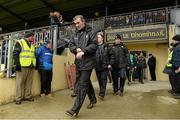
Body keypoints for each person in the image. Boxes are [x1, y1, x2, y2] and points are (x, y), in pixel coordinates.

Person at [66, 15, 97, 117]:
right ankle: (93, 99)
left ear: (83, 22)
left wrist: (83, 51)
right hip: (78, 63)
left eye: (78, 23)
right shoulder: (75, 34)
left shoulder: (91, 32)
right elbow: (71, 46)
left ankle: (75, 109)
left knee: (82, 85)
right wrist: (76, 49)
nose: (76, 25)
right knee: (86, 82)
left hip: (88, 63)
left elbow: (94, 45)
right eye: (75, 23)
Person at [13, 31, 36, 105]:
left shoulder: (32, 45)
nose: (33, 37)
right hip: (22, 66)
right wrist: (17, 64)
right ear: (27, 36)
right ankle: (18, 98)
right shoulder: (19, 42)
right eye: (32, 36)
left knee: (29, 82)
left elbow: (33, 55)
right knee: (19, 83)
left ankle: (27, 96)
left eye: (33, 36)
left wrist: (35, 64)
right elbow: (15, 54)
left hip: (31, 66)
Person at [95, 32, 109, 100]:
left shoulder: (106, 46)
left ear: (102, 38)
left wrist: (109, 64)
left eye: (99, 37)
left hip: (104, 66)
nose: (97, 39)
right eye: (97, 37)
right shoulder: (95, 47)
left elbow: (111, 55)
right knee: (100, 80)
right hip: (97, 66)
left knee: (103, 79)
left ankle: (102, 94)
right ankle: (101, 90)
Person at [171, 34, 180, 99]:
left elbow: (177, 58)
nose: (172, 41)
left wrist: (178, 67)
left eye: (173, 40)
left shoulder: (178, 48)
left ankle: (178, 93)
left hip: (178, 67)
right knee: (176, 80)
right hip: (177, 67)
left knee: (177, 80)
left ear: (177, 40)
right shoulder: (177, 47)